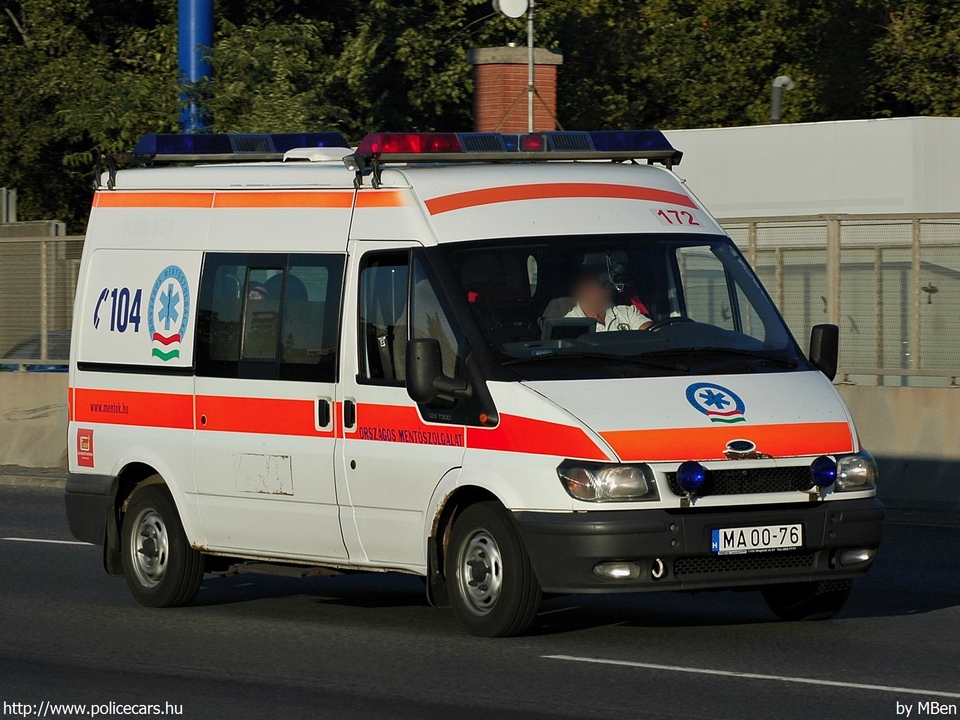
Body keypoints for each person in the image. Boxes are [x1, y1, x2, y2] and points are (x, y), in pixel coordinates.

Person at [565, 269, 652, 331]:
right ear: (581, 288)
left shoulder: (626, 312)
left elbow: (654, 335)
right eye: (593, 283)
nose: (601, 289)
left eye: (606, 284)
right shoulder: (567, 325)